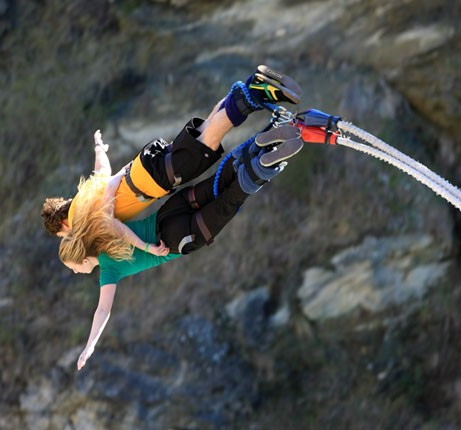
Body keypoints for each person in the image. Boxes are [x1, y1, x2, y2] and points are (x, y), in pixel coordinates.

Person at [60, 127, 305, 370]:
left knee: (229, 201)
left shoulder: (108, 270)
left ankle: (262, 165)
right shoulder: (101, 230)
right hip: (169, 212)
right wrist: (100, 150)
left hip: (178, 239)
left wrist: (90, 345)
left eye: (73, 267)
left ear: (83, 259)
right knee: (218, 181)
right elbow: (102, 175)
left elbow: (103, 310)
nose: (74, 272)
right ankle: (261, 143)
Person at [41, 65, 303, 253]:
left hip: (152, 180)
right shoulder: (82, 196)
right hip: (144, 165)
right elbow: (101, 172)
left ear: (62, 224)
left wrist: (146, 247)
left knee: (208, 141)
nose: (69, 235)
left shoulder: (79, 220)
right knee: (205, 129)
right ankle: (252, 84)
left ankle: (254, 92)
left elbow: (112, 225)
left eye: (64, 234)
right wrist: (99, 147)